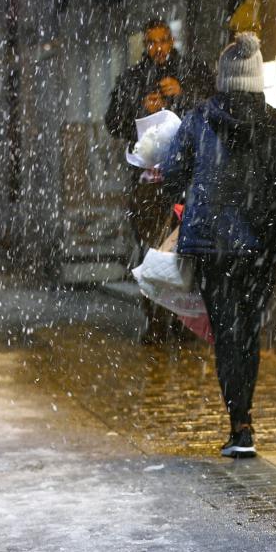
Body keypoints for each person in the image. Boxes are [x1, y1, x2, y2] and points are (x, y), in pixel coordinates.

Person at [161, 32, 276, 458]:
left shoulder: (197, 120)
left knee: (227, 331)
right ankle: (244, 418)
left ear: (224, 78)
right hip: (260, 245)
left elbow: (172, 174)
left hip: (212, 245)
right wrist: (264, 199)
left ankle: (238, 423)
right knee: (249, 332)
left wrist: (197, 191)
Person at [105, 20, 215, 344]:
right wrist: (141, 108)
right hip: (149, 182)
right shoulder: (131, 79)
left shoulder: (192, 71)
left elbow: (210, 110)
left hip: (189, 179)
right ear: (144, 45)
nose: (159, 49)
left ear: (172, 41)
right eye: (152, 43)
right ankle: (155, 323)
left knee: (186, 249)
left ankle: (185, 323)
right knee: (153, 250)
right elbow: (114, 121)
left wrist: (183, 96)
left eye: (163, 41)